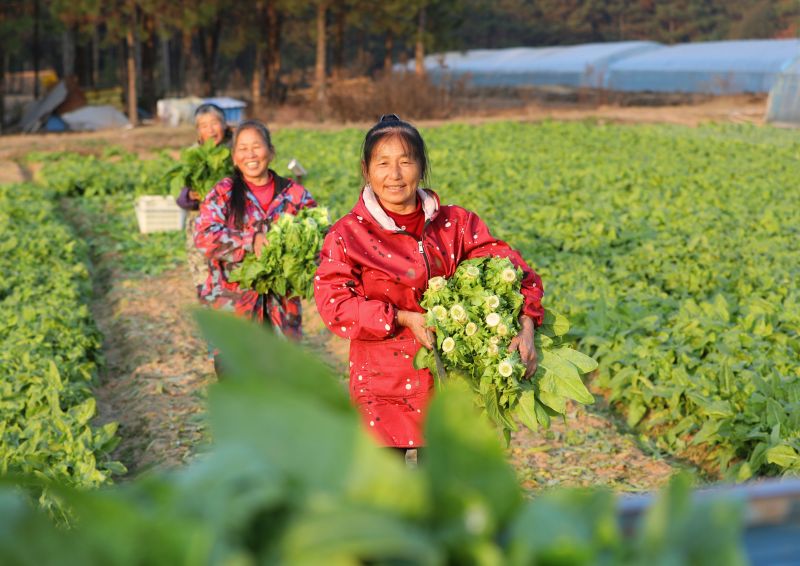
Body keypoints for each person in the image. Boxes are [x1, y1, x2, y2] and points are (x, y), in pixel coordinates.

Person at [313, 114, 544, 460]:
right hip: (382, 385)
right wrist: (403, 318)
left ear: (421, 167)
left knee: (442, 493)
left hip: (448, 380)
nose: (394, 175)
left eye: (405, 162)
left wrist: (525, 326)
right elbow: (336, 305)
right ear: (366, 170)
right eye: (383, 163)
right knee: (385, 494)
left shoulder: (456, 224)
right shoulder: (348, 235)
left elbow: (516, 272)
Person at [195, 119, 317, 359]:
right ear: (234, 157)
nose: (250, 154)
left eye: (257, 146)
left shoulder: (295, 195)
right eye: (242, 148)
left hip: (282, 314)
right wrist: (251, 241)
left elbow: (318, 240)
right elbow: (204, 237)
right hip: (233, 310)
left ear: (270, 152)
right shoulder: (223, 193)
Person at [176, 103, 233, 298]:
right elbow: (180, 196)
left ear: (224, 125)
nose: (210, 130)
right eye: (204, 125)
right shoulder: (194, 154)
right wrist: (190, 196)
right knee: (204, 277)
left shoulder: (236, 150)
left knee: (233, 280)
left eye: (215, 123)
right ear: (198, 131)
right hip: (200, 225)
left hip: (231, 224)